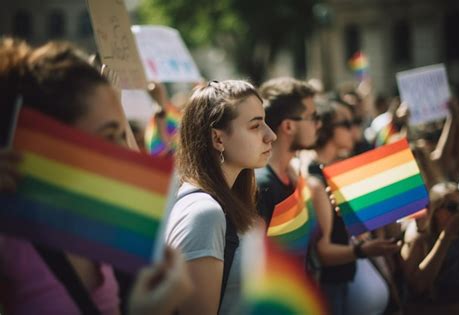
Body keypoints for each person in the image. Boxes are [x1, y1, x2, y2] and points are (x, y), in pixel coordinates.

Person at [0, 38, 192, 315]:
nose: (123, 152)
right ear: (51, 141)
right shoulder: (10, 241)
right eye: (108, 135)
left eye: (121, 134)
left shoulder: (100, 225)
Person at [165, 80, 276, 315]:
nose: (271, 135)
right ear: (218, 139)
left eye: (265, 122)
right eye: (255, 126)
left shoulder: (226, 202)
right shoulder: (205, 213)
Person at [306, 100, 400, 315]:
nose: (355, 130)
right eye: (347, 124)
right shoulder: (312, 177)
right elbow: (322, 250)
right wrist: (364, 250)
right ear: (326, 129)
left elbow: (383, 229)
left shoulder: (343, 170)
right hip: (330, 285)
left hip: (348, 279)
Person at [255, 77, 321, 269]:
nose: (318, 125)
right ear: (289, 126)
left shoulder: (293, 175)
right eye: (313, 117)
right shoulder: (262, 185)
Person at [401, 182, 459, 314]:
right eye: (452, 207)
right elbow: (418, 286)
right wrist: (446, 236)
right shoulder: (420, 240)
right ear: (434, 211)